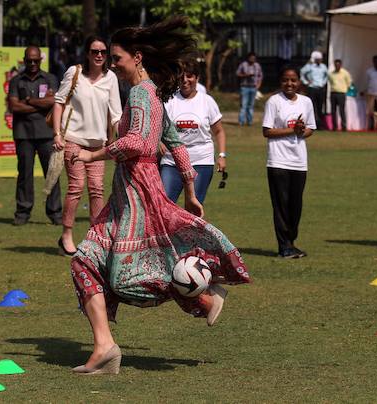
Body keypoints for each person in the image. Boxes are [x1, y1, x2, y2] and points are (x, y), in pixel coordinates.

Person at [68, 17, 250, 375]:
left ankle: (204, 294)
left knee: (124, 279)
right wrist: (189, 185)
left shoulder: (140, 94)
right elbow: (175, 142)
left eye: (116, 58)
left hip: (139, 193)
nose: (112, 64)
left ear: (136, 57)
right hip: (126, 193)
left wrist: (92, 154)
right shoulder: (151, 92)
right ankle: (105, 347)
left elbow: (140, 142)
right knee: (84, 261)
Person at [53, 36, 122, 255]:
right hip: (73, 139)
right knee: (76, 187)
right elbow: (59, 102)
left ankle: (96, 237)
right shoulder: (74, 73)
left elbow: (116, 113)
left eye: (103, 52)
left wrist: (119, 137)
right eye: (95, 51)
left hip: (97, 144)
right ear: (87, 53)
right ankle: (66, 235)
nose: (99, 55)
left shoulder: (111, 78)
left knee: (97, 189)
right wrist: (57, 134)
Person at [263, 67, 316, 258]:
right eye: (286, 80)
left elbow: (310, 129)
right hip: (278, 161)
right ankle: (284, 247)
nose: (290, 84)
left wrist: (301, 130)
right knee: (281, 205)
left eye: (293, 80)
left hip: (299, 162)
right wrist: (292, 130)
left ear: (299, 82)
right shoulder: (274, 101)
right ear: (280, 82)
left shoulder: (306, 102)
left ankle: (291, 242)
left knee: (296, 206)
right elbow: (267, 131)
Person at [8, 46, 61, 226]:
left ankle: (55, 212)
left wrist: (29, 101)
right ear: (24, 60)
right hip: (23, 134)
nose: (32, 64)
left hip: (46, 133)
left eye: (35, 60)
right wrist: (40, 105)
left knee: (51, 173)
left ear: (40, 60)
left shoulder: (50, 78)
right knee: (24, 174)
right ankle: (23, 212)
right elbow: (14, 106)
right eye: (29, 60)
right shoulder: (16, 81)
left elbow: (54, 101)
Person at [161, 59, 224, 204]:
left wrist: (222, 155)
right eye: (181, 76)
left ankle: (192, 228)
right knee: (165, 205)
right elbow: (157, 126)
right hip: (172, 160)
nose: (185, 80)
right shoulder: (169, 100)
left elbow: (219, 131)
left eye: (189, 76)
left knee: (194, 207)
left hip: (201, 159)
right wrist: (159, 141)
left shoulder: (207, 101)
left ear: (197, 78)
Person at [300, 51, 327, 129]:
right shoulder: (310, 66)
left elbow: (326, 75)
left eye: (320, 59)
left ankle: (320, 125)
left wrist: (323, 83)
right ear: (315, 59)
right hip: (312, 88)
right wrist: (306, 82)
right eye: (318, 59)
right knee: (311, 106)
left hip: (320, 88)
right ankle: (311, 124)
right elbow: (302, 73)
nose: (320, 60)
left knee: (320, 106)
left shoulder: (323, 66)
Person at [235, 52, 262, 126]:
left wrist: (258, 85)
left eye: (254, 58)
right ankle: (241, 122)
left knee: (251, 105)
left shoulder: (257, 65)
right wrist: (246, 75)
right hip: (244, 87)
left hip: (253, 88)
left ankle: (250, 122)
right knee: (243, 105)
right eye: (251, 58)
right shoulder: (243, 64)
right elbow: (237, 74)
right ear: (248, 58)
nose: (252, 59)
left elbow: (260, 76)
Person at [328, 59, 352, 131]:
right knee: (333, 110)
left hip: (341, 93)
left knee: (342, 110)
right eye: (336, 65)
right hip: (333, 93)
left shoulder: (345, 73)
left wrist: (345, 89)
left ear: (341, 65)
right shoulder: (331, 74)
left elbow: (349, 82)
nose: (337, 66)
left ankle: (343, 126)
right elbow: (330, 81)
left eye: (338, 65)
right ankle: (334, 127)